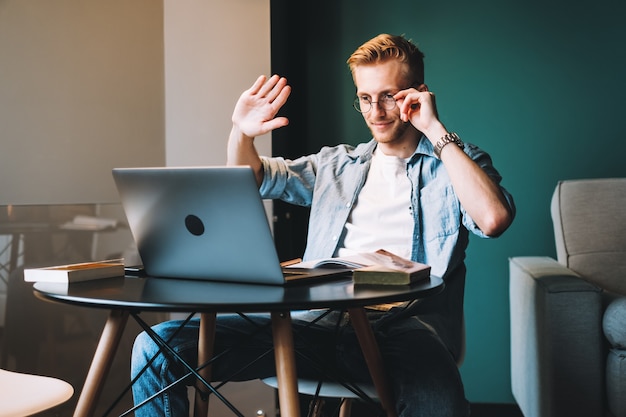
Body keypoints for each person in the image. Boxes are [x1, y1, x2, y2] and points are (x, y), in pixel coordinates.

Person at [131, 33, 515, 417]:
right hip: (314, 326)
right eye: (365, 98)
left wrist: (435, 130)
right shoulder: (336, 164)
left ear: (418, 94)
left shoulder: (455, 164)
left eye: (389, 96)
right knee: (156, 348)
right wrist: (242, 133)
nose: (376, 112)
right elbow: (251, 180)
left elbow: (493, 219)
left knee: (438, 402)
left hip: (404, 329)